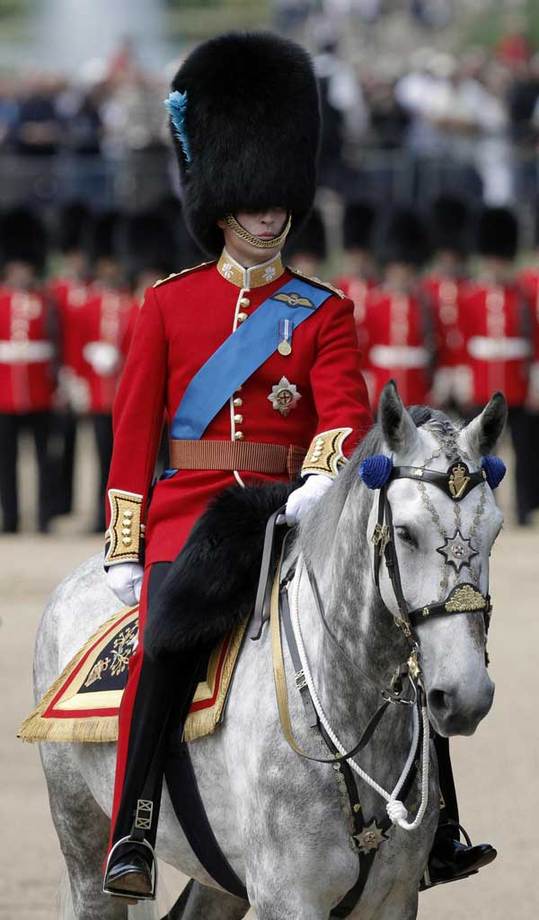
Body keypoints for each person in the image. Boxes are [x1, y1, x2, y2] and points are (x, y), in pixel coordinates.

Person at [102, 30, 372, 902]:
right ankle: (133, 828)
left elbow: (346, 407)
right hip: (189, 514)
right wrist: (123, 546)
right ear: (220, 201)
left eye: (276, 201)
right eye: (251, 201)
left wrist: (324, 475)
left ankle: (434, 827)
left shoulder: (323, 310)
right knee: (161, 646)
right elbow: (134, 429)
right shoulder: (168, 305)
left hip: (292, 509)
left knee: (395, 639)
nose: (268, 215)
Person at [461, 206, 535, 525]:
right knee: (478, 452)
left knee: (525, 450)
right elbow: (461, 340)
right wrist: (462, 375)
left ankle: (524, 508)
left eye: (500, 259)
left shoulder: (523, 296)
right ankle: (479, 507)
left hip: (516, 382)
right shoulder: (471, 296)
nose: (496, 266)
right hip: (481, 382)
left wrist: (535, 378)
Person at [76, 211, 138, 532]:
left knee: (125, 462)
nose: (109, 269)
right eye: (105, 264)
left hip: (124, 399)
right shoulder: (88, 306)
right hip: (99, 396)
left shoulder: (133, 306)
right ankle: (100, 516)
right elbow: (76, 345)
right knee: (99, 459)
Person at [0, 207, 56, 534]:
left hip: (39, 392)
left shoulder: (46, 302)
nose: (21, 272)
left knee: (43, 459)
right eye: (16, 266)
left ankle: (44, 517)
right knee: (6, 463)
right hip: (5, 393)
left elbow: (57, 344)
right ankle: (11, 518)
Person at [359, 208, 434, 410]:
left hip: (416, 387)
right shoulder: (373, 303)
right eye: (398, 270)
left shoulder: (425, 304)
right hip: (382, 385)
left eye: (407, 270)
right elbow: (365, 345)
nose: (402, 276)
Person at [421, 195, 472, 411]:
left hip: (465, 372)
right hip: (435, 372)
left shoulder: (470, 289)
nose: (449, 263)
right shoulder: (425, 289)